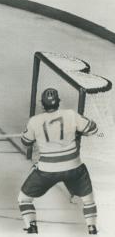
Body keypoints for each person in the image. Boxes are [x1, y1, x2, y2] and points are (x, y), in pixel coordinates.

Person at [18, 88, 98, 234]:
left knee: (24, 199)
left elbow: (26, 142)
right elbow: (93, 129)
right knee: (88, 201)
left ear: (42, 104)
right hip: (74, 167)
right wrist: (79, 130)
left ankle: (32, 228)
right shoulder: (70, 114)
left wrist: (27, 133)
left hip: (47, 170)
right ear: (58, 102)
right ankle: (92, 228)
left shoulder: (34, 121)